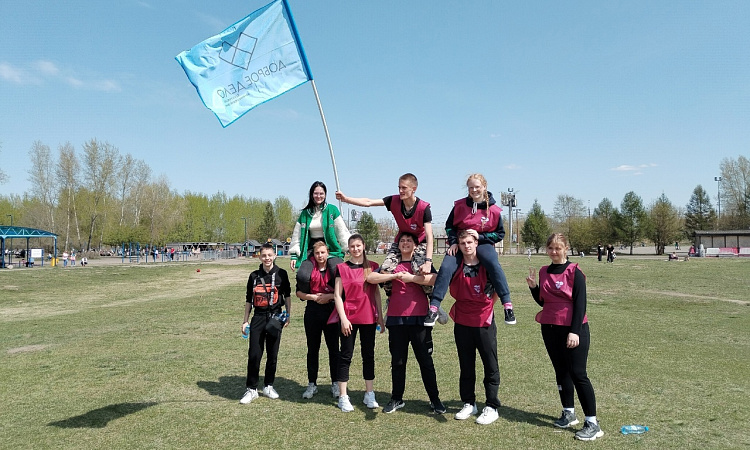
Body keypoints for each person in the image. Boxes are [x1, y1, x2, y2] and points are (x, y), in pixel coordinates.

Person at [525, 233, 603, 441]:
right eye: (550, 248)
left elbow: (580, 304)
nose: (554, 252)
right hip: (550, 328)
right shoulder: (544, 271)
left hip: (573, 329)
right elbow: (544, 302)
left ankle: (593, 423)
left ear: (566, 248)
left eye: (558, 248)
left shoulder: (574, 271)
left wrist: (574, 331)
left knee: (578, 374)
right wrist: (534, 288)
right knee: (561, 371)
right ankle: (568, 413)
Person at [366, 232, 445, 415]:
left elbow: (436, 279)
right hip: (396, 319)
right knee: (398, 362)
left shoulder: (422, 263)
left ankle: (435, 400)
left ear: (415, 245)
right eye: (402, 240)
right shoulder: (391, 264)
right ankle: (396, 398)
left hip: (420, 319)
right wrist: (394, 276)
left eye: (409, 240)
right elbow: (371, 278)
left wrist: (412, 278)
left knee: (425, 361)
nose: (405, 243)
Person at [428, 174, 515, 327]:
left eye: (477, 187)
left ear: (484, 187)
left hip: (482, 244)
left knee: (492, 263)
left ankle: (507, 305)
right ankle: (434, 307)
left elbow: (500, 234)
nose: (474, 190)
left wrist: (480, 237)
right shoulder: (460, 206)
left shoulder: (494, 210)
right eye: (471, 187)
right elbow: (449, 226)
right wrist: (453, 242)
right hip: (460, 243)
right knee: (446, 267)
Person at [335, 173, 434, 295]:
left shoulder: (423, 208)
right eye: (399, 187)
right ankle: (390, 295)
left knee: (420, 270)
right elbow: (369, 202)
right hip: (401, 241)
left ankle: (431, 298)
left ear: (414, 189)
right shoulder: (394, 200)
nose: (400, 191)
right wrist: (346, 199)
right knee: (385, 270)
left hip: (420, 242)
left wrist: (428, 262)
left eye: (404, 188)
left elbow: (429, 236)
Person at [447, 230, 504, 425]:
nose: (466, 246)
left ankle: (492, 405)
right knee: (466, 364)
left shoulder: (487, 264)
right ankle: (469, 403)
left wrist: (489, 307)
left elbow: (499, 287)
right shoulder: (455, 264)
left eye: (470, 242)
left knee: (490, 364)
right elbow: (442, 280)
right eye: (463, 243)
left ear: (476, 243)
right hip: (462, 321)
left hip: (483, 322)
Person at [331, 234, 385, 412]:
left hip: (368, 317)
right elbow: (337, 295)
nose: (355, 249)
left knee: (368, 355)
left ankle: (369, 393)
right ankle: (343, 396)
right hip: (349, 318)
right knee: (346, 355)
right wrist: (343, 319)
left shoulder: (373, 267)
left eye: (358, 246)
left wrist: (380, 316)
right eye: (352, 246)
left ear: (364, 246)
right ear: (349, 248)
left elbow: (376, 293)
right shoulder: (341, 268)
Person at [240, 243, 292, 404]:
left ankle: (268, 385)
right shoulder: (254, 276)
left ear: (274, 256)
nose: (267, 258)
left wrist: (288, 315)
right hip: (258, 317)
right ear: (260, 257)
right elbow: (249, 299)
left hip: (276, 317)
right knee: (254, 354)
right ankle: (252, 389)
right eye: (264, 255)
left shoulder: (282, 274)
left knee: (272, 354)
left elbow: (287, 295)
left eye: (270, 255)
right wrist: (245, 321)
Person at [295, 241, 342, 400]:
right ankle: (312, 384)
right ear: (313, 255)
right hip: (313, 311)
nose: (320, 256)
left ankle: (335, 383)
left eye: (323, 252)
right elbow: (298, 293)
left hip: (331, 310)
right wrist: (314, 297)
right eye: (317, 253)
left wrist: (328, 296)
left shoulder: (334, 269)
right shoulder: (308, 269)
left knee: (334, 349)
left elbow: (343, 292)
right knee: (313, 349)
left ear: (328, 252)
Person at [289, 181, 350, 272]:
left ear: (325, 195)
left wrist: (349, 247)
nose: (318, 196)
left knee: (335, 270)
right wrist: (294, 255)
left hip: (330, 247)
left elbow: (342, 231)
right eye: (316, 193)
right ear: (311, 194)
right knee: (303, 276)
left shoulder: (332, 210)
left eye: (321, 193)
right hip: (311, 248)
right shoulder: (305, 213)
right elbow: (297, 235)